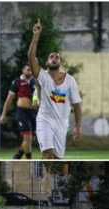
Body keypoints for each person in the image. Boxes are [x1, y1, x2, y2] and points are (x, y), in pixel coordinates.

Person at [28, 19, 82, 159]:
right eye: (51, 57)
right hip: (44, 120)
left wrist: (77, 126)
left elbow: (76, 104)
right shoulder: (43, 76)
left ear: (61, 63)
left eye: (57, 57)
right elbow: (31, 57)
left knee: (57, 160)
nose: (54, 59)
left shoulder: (70, 80)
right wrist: (36, 36)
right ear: (46, 62)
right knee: (47, 154)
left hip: (61, 125)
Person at [0, 63, 37, 159]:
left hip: (33, 113)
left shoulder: (35, 82)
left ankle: (18, 155)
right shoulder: (17, 82)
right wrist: (3, 114)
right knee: (27, 138)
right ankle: (29, 159)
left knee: (32, 139)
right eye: (28, 70)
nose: (30, 72)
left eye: (32, 70)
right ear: (23, 70)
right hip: (22, 112)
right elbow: (9, 99)